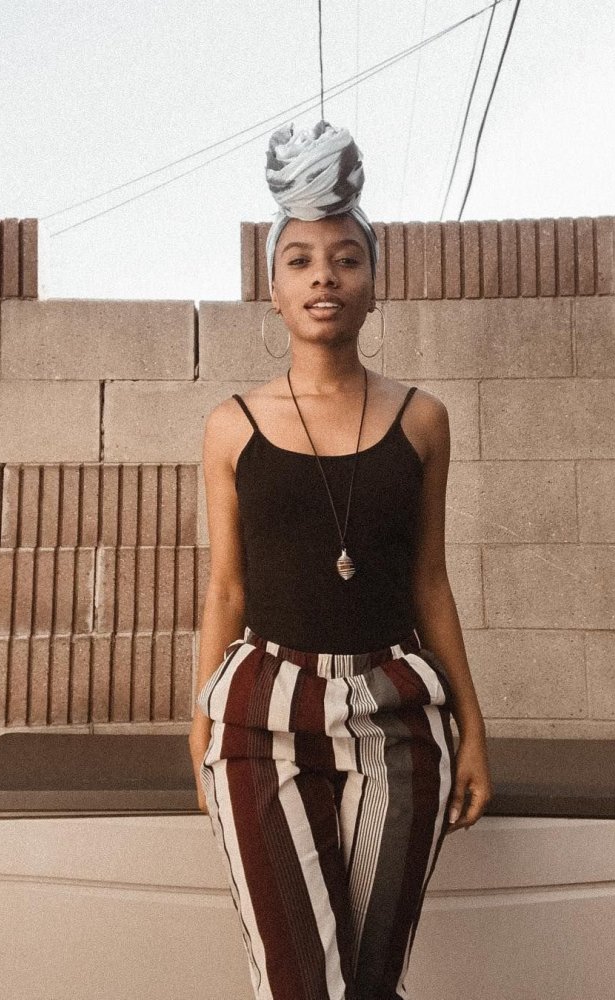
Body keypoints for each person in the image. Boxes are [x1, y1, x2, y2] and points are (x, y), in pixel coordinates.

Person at [188, 119, 491, 1000]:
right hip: (261, 719)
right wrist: (198, 729)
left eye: (347, 259)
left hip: (399, 714)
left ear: (373, 284)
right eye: (301, 260)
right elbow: (226, 588)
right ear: (274, 291)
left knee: (369, 981)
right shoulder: (231, 426)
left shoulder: (423, 420)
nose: (325, 275)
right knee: (300, 982)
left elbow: (430, 581)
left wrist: (475, 731)